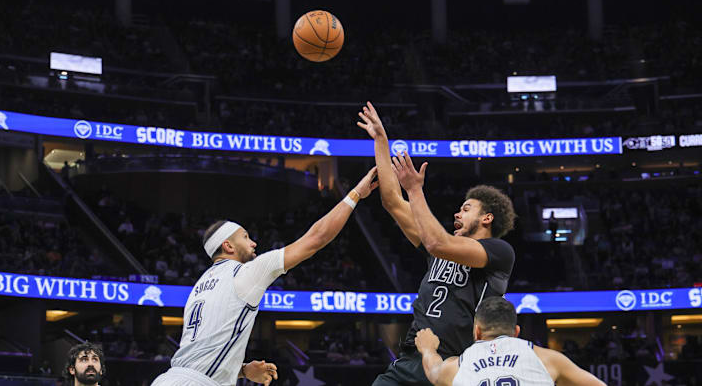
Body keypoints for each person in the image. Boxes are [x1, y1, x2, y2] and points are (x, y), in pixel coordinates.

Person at [151, 168, 379, 386]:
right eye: (245, 237)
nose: (253, 243)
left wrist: (241, 370)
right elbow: (315, 239)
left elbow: (198, 357)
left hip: (169, 379)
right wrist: (355, 194)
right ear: (228, 245)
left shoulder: (199, 286)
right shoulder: (245, 272)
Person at [357, 102, 516, 386]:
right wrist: (382, 141)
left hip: (457, 365)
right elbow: (392, 201)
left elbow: (435, 243)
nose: (457, 213)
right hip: (411, 360)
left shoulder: (499, 253)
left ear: (487, 218)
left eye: (466, 209)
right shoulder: (442, 245)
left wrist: (416, 189)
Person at [414, 297, 605, 386]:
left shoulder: (458, 366)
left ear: (478, 331)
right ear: (516, 332)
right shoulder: (547, 359)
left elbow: (434, 371)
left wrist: (428, 348)